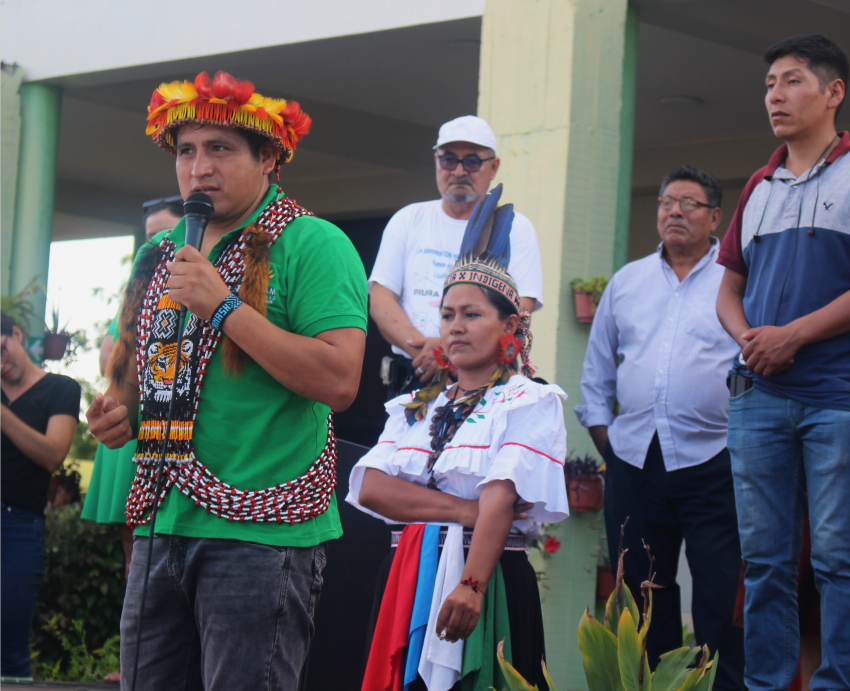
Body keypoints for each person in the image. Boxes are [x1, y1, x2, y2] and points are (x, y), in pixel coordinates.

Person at [85, 71, 368, 690]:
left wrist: (223, 306)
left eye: (221, 149)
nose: (198, 168)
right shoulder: (158, 256)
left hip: (261, 538)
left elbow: (341, 379)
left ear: (268, 157)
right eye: (187, 150)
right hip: (161, 523)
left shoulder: (313, 243)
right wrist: (117, 413)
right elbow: (134, 377)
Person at [715, 34, 850, 691]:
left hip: (841, 395)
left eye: (793, 80)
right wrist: (751, 337)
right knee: (765, 561)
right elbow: (728, 291)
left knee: (838, 556)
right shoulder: (758, 183)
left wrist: (792, 335)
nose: (775, 94)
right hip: (758, 395)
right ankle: (769, 684)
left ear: (834, 93)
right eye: (770, 82)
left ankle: (836, 684)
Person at [348, 184, 568, 691]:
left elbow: (502, 495)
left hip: (486, 576)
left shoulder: (528, 399)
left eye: (472, 315)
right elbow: (374, 490)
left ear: (510, 324)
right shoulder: (416, 405)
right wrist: (464, 511)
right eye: (447, 315)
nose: (455, 327)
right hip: (407, 573)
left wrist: (472, 584)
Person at [575, 166, 744, 689]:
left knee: (720, 593)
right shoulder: (627, 282)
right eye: (666, 202)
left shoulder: (737, 279)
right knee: (643, 592)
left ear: (715, 217)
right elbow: (597, 374)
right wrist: (612, 445)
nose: (673, 211)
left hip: (717, 460)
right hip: (635, 461)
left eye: (688, 203)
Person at [369, 115, 543, 398]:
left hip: (481, 381)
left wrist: (448, 350)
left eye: (472, 161)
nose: (459, 171)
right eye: (449, 159)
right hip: (413, 375)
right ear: (436, 161)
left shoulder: (516, 227)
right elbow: (381, 299)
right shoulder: (408, 219)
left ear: (494, 166)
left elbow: (520, 306)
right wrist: (427, 349)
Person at [82, 196, 183, 684]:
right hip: (136, 428)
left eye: (164, 232)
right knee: (134, 542)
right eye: (149, 236)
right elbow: (111, 362)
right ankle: (132, 660)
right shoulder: (142, 284)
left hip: (179, 435)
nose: (156, 243)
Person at [1, 312, 82, 681]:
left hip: (18, 525)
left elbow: (53, 454)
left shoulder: (61, 389)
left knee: (9, 651)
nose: (1, 366)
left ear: (15, 334)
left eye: (2, 352)